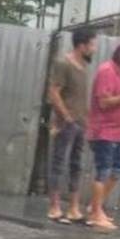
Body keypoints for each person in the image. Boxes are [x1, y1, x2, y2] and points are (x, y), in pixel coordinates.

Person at [87, 43, 120, 231]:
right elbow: (103, 103)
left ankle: (96, 207)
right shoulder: (107, 71)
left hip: (119, 132)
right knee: (103, 171)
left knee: (117, 171)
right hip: (103, 131)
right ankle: (95, 214)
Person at [47, 28, 97, 223]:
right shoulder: (63, 63)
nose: (94, 49)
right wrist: (66, 117)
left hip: (81, 123)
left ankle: (74, 208)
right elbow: (53, 92)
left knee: (76, 165)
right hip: (65, 122)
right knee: (58, 163)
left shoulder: (83, 67)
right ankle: (54, 206)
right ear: (82, 45)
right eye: (92, 45)